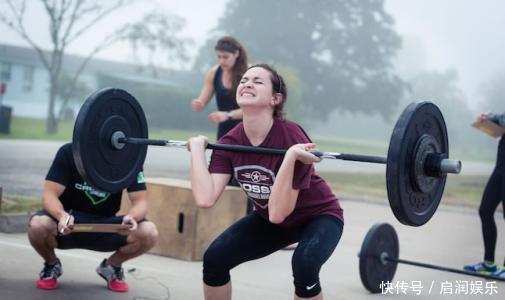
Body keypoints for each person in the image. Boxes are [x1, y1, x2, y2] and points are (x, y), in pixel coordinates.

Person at [187, 64, 344, 299]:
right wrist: (197, 151)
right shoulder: (230, 141)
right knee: (215, 259)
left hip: (319, 217)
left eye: (258, 81)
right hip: (270, 219)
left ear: (275, 98)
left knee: (304, 265)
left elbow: (278, 213)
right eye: (244, 80)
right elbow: (205, 198)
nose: (247, 83)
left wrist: (291, 156)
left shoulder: (292, 136)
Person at [27, 143, 159, 292]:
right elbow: (49, 195)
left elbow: (140, 201)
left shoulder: (128, 159)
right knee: (38, 225)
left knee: (149, 232)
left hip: (105, 226)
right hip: (67, 224)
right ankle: (52, 264)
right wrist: (61, 215)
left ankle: (111, 266)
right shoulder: (69, 152)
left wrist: (132, 217)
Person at [464, 111, 505, 278]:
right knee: (485, 210)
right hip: (501, 168)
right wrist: (488, 118)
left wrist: (494, 118)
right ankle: (489, 264)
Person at [191, 36, 248, 140]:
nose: (221, 61)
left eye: (225, 57)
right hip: (224, 133)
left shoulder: (250, 73)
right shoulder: (213, 73)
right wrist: (198, 104)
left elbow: (255, 110)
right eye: (219, 57)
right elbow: (202, 101)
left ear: (236, 54)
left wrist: (228, 115)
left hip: (248, 132)